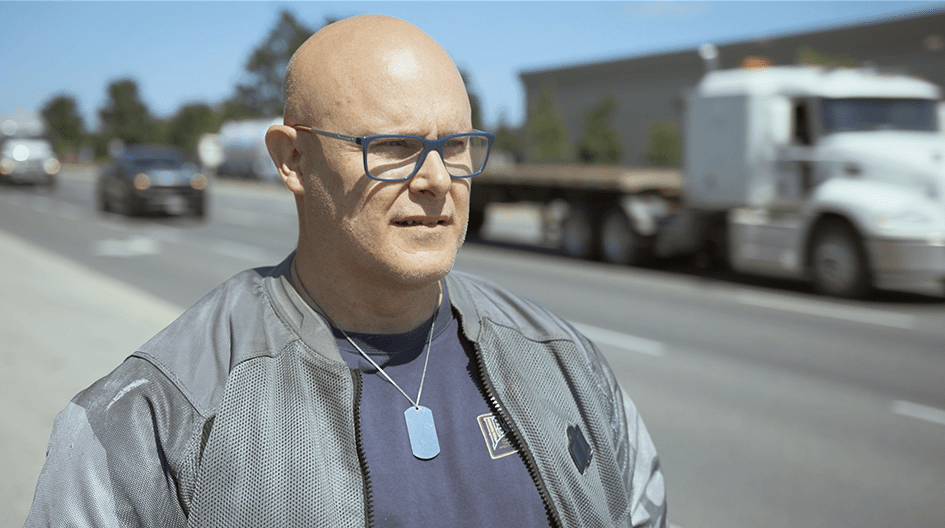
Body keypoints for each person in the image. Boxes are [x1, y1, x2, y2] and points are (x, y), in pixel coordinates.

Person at [25, 15, 666, 527]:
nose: (438, 180)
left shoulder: (561, 362)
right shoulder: (159, 415)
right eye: (393, 148)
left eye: (456, 146)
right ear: (294, 159)